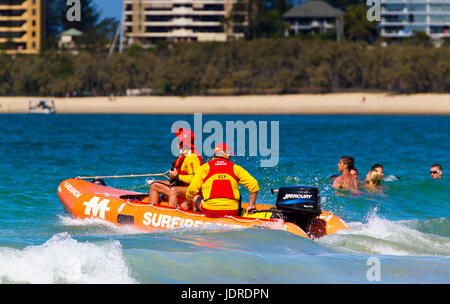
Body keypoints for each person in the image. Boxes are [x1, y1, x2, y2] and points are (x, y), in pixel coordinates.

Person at [185, 143, 259, 217]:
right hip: (233, 211)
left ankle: (197, 219)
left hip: (211, 211)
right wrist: (251, 205)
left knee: (195, 198)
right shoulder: (236, 168)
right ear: (226, 154)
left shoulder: (204, 168)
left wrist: (187, 202)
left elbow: (192, 189)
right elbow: (254, 184)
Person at [149, 128, 204, 208]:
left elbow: (194, 179)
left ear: (182, 143)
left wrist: (177, 176)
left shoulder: (191, 157)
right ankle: (153, 208)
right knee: (155, 184)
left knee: (173, 190)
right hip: (182, 186)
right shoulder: (184, 154)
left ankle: (170, 213)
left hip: (191, 191)